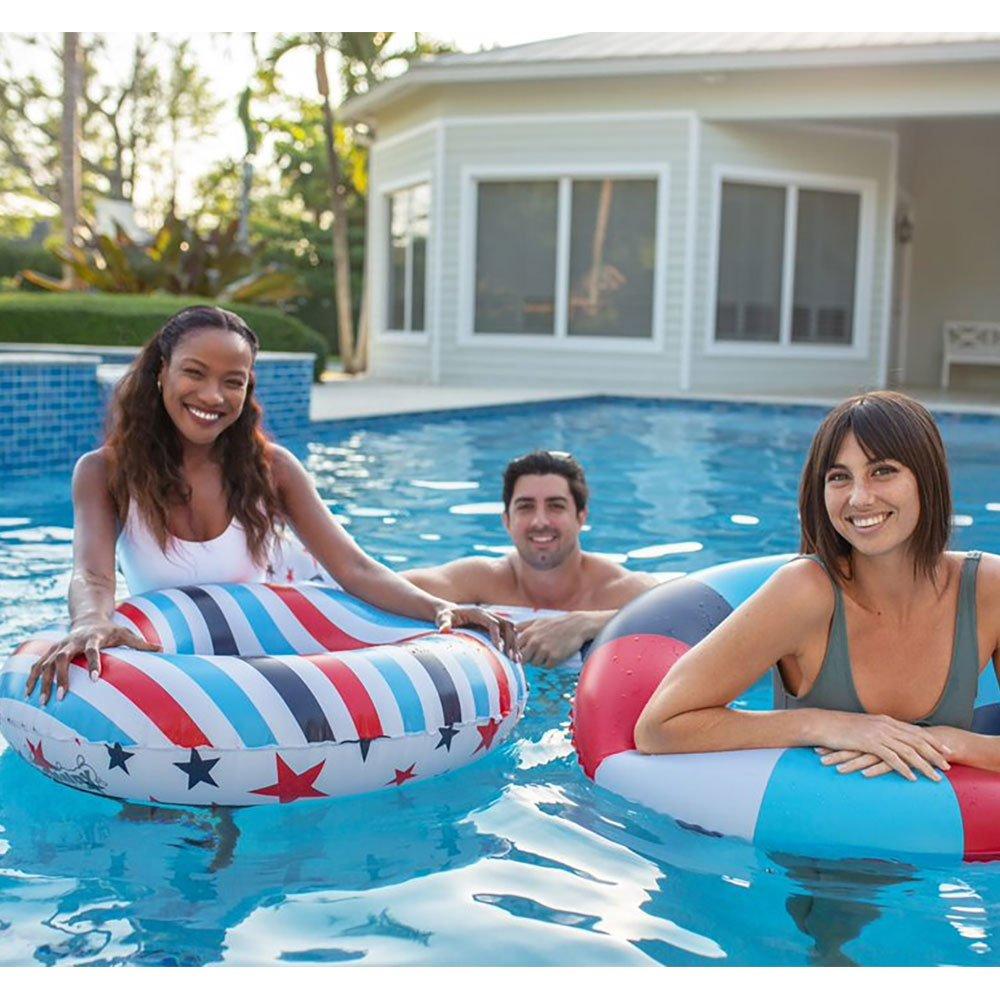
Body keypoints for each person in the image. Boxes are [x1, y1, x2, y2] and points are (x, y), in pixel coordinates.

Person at [25, 306, 515, 705]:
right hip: (181, 650)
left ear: (248, 388)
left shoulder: (272, 468)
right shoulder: (103, 472)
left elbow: (352, 567)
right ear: (160, 373)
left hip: (276, 631)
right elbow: (92, 576)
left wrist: (441, 608)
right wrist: (91, 621)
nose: (212, 396)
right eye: (194, 373)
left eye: (233, 381)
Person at [635, 391, 1000, 779]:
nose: (860, 499)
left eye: (883, 471)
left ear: (927, 479)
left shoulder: (987, 590)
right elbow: (658, 727)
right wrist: (826, 725)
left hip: (941, 837)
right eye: (840, 477)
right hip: (795, 834)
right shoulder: (804, 593)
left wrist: (949, 742)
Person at [403, 451, 659, 667]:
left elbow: (692, 612)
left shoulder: (620, 591)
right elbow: (379, 589)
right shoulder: (478, 581)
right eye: (526, 507)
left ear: (581, 517)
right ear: (507, 520)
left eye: (555, 506)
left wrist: (588, 623)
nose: (540, 521)